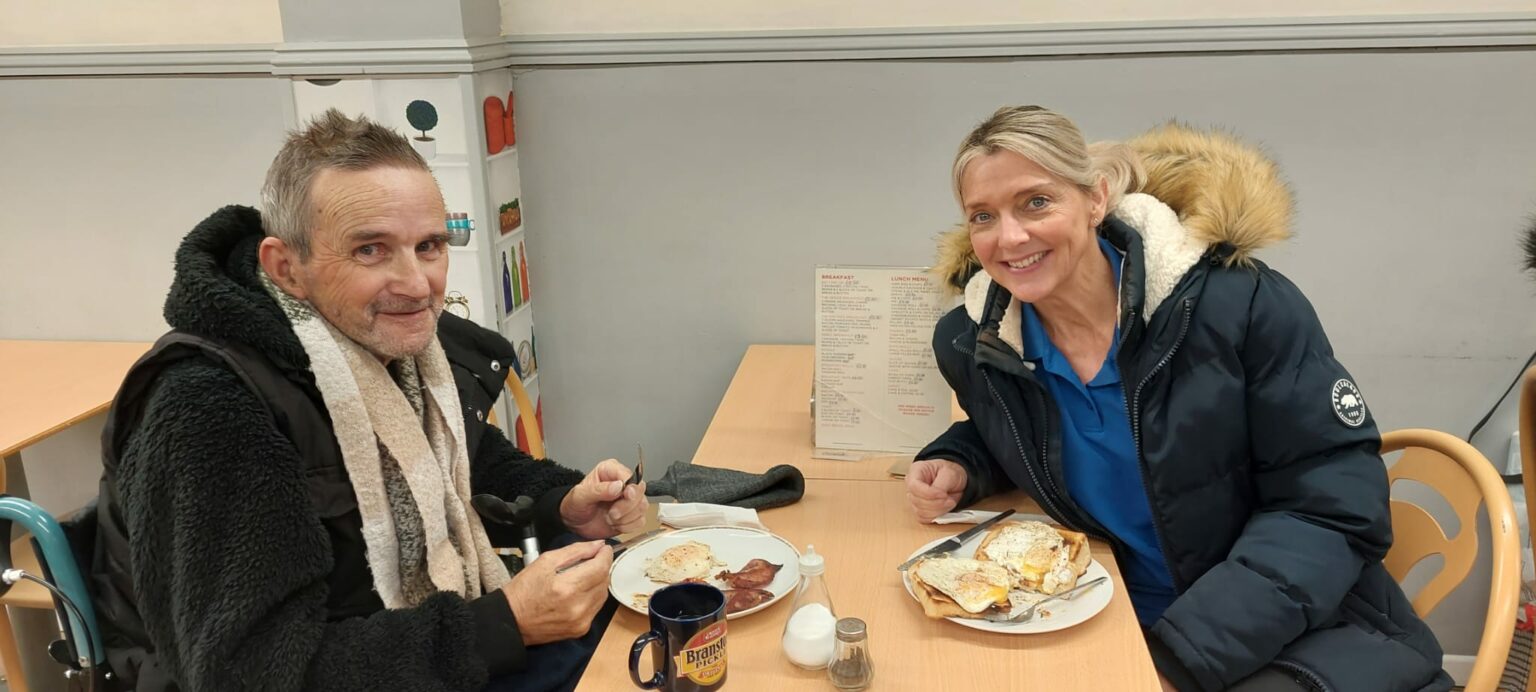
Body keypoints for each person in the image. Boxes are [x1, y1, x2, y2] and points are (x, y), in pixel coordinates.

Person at [90, 109, 647, 691]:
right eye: (370, 250)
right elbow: (248, 674)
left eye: (428, 246)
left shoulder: (399, 348)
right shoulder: (209, 408)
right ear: (286, 268)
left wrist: (563, 506)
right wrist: (501, 625)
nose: (417, 284)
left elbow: (475, 464)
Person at [906, 106, 1450, 692]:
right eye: (983, 216)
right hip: (1106, 613)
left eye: (1036, 202)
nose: (1010, 237)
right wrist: (964, 461)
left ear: (1096, 198)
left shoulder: (1239, 306)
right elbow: (1040, 427)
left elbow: (1330, 507)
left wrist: (1177, 660)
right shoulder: (974, 343)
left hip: (1295, 632)